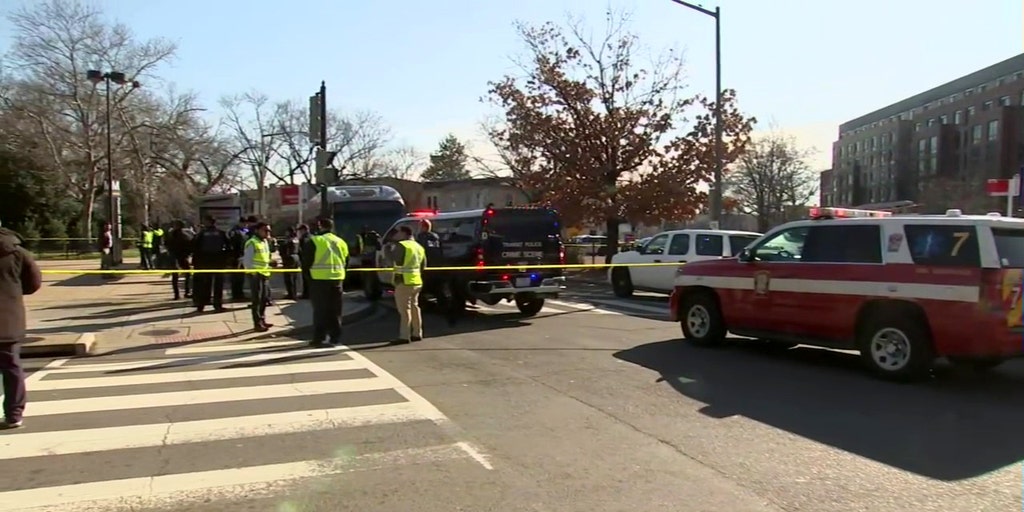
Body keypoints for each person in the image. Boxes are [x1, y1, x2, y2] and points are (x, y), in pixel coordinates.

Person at [0, 224, 42, 429]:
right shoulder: (19, 253)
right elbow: (33, 284)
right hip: (8, 317)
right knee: (11, 366)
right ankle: (14, 414)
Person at [305, 218, 348, 347]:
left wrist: (308, 279)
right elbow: (346, 261)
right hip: (337, 279)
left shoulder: (315, 241)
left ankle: (319, 338)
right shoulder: (341, 242)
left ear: (320, 226)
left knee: (320, 310)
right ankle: (335, 337)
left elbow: (306, 262)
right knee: (335, 310)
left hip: (319, 280)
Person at [388, 225, 426, 344]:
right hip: (416, 281)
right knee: (415, 307)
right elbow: (423, 265)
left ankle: (404, 336)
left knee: (404, 310)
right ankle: (417, 333)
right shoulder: (419, 247)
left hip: (403, 281)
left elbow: (392, 259)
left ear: (404, 233)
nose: (396, 234)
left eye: (398, 232)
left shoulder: (401, 246)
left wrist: (387, 249)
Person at [191, 216, 229, 313]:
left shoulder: (201, 234)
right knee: (218, 285)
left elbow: (195, 247)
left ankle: (201, 305)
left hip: (204, 262)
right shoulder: (221, 233)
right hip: (218, 262)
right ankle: (217, 305)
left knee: (204, 285)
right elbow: (228, 247)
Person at [242, 222, 274, 332]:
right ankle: (257, 323)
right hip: (256, 275)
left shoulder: (264, 242)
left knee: (264, 299)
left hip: (265, 273)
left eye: (269, 230)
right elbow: (247, 261)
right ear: (257, 230)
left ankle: (262, 319)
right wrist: (253, 273)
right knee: (257, 299)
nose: (267, 233)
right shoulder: (252, 242)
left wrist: (270, 263)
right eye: (265, 230)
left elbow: (265, 257)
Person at [165, 220, 194, 300]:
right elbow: (190, 245)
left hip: (175, 256)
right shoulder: (185, 235)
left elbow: (166, 244)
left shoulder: (171, 234)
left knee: (175, 275)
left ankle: (177, 294)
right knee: (187, 273)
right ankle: (186, 291)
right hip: (182, 256)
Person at [278, 226, 300, 300]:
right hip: (296, 258)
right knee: (294, 277)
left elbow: (285, 250)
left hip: (289, 259)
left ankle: (291, 294)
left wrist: (282, 255)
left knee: (288, 278)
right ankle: (294, 293)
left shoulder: (288, 240)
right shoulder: (296, 239)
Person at [296, 223, 312, 299]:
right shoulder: (312, 237)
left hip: (305, 261)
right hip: (312, 261)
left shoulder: (304, 239)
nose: (300, 232)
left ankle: (306, 294)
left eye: (300, 230)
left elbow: (302, 251)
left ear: (304, 230)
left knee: (306, 279)